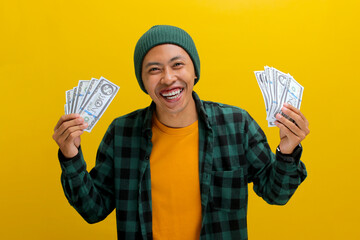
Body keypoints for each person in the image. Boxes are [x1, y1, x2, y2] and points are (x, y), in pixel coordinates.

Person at [53, 25, 309, 240]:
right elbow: (93, 210)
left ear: (195, 71)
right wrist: (70, 154)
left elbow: (277, 193)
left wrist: (287, 150)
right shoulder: (122, 133)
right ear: (143, 81)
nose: (167, 78)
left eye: (178, 65)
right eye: (154, 69)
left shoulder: (236, 124)